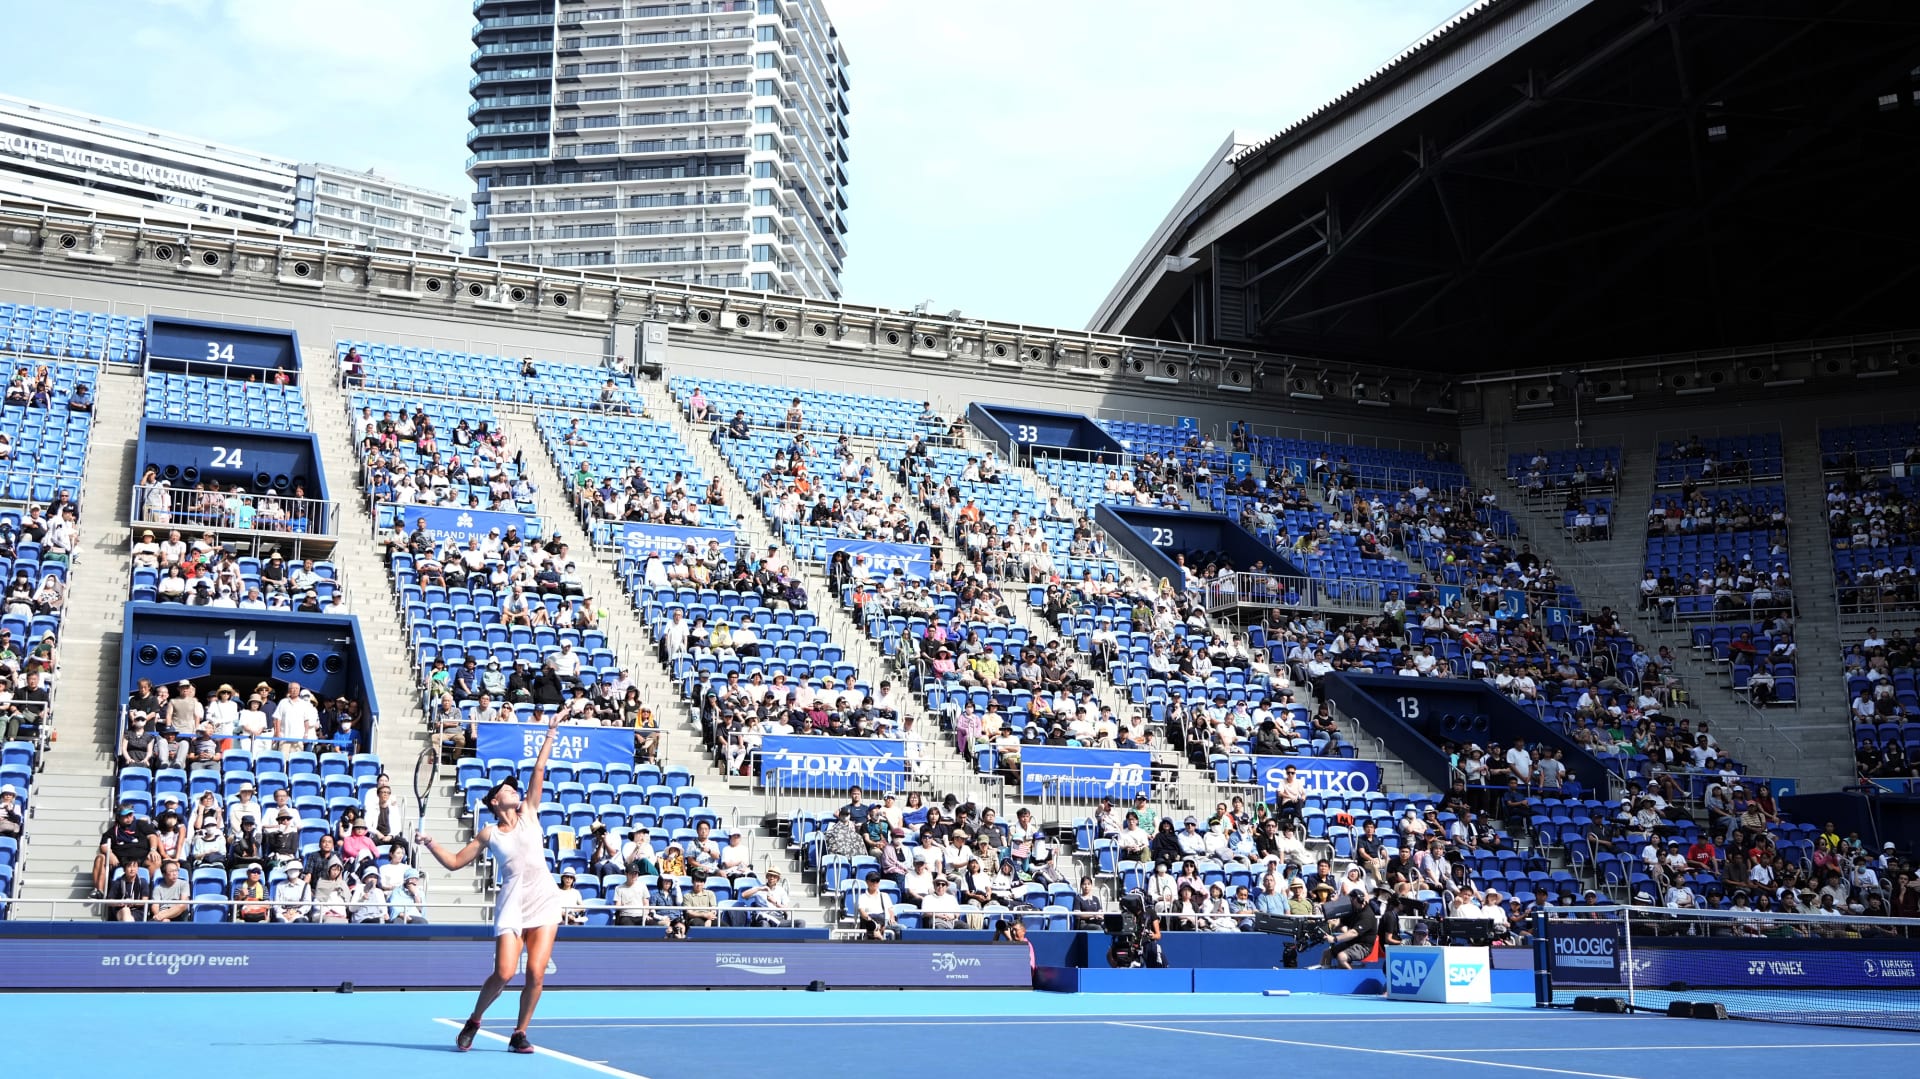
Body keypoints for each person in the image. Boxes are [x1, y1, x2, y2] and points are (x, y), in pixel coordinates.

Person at [417, 713, 568, 1055]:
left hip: (544, 902)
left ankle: (520, 1033)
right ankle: (475, 1019)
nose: (514, 789)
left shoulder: (530, 812)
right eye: (507, 789)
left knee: (535, 973)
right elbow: (456, 863)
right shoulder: (488, 832)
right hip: (512, 905)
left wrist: (551, 732)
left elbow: (539, 771)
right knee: (502, 973)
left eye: (515, 787)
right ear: (495, 801)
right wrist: (430, 843)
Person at [1324, 885, 1383, 970]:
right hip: (1351, 943)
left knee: (1341, 957)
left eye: (1351, 900)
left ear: (1357, 900)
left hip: (1363, 946)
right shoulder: (1353, 910)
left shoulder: (1367, 915)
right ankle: (1325, 975)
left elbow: (1354, 933)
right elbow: (1341, 922)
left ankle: (1350, 977)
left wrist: (1334, 939)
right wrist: (1330, 926)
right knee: (1327, 953)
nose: (1349, 902)